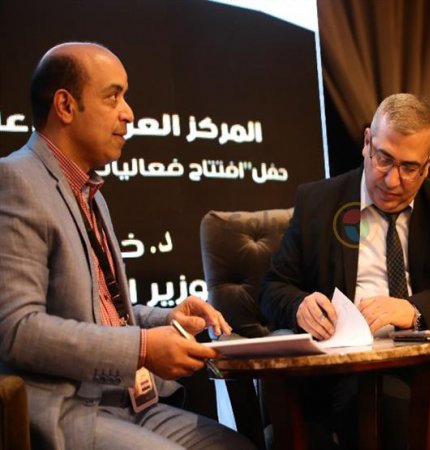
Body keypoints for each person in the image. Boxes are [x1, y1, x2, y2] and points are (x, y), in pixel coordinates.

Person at [0, 42, 255, 450]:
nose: (129, 113)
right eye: (113, 96)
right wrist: (142, 349)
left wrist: (166, 318)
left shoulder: (91, 193)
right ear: (65, 106)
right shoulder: (15, 181)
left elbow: (97, 315)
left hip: (127, 402)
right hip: (68, 410)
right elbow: (18, 330)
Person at [260, 93, 430, 449]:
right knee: (397, 418)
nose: (392, 181)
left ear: (428, 164)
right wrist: (299, 306)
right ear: (367, 143)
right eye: (384, 159)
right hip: (355, 372)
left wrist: (413, 309)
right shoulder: (319, 203)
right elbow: (273, 287)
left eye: (409, 168)